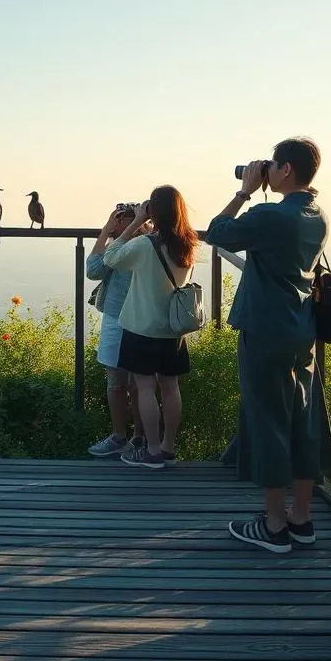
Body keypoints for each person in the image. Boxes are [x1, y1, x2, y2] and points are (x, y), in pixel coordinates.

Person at [204, 137, 331, 554]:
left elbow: (217, 233)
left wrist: (243, 190)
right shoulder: (318, 215)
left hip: (265, 330)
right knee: (302, 421)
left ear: (286, 170)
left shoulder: (269, 216)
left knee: (269, 423)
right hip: (300, 330)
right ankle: (302, 519)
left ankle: (274, 526)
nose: (267, 172)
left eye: (271, 166)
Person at [103, 186, 198, 470]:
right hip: (172, 328)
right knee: (170, 387)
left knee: (145, 388)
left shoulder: (146, 245)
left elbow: (111, 257)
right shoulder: (188, 244)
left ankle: (152, 451)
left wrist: (134, 222)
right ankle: (168, 447)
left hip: (141, 327)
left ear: (153, 211)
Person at [85, 204, 149, 456]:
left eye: (121, 219)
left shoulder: (137, 244)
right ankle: (131, 438)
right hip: (128, 318)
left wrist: (107, 231)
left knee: (130, 383)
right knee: (127, 382)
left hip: (128, 317)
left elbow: (92, 270)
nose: (117, 223)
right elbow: (94, 271)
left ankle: (130, 437)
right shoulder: (130, 244)